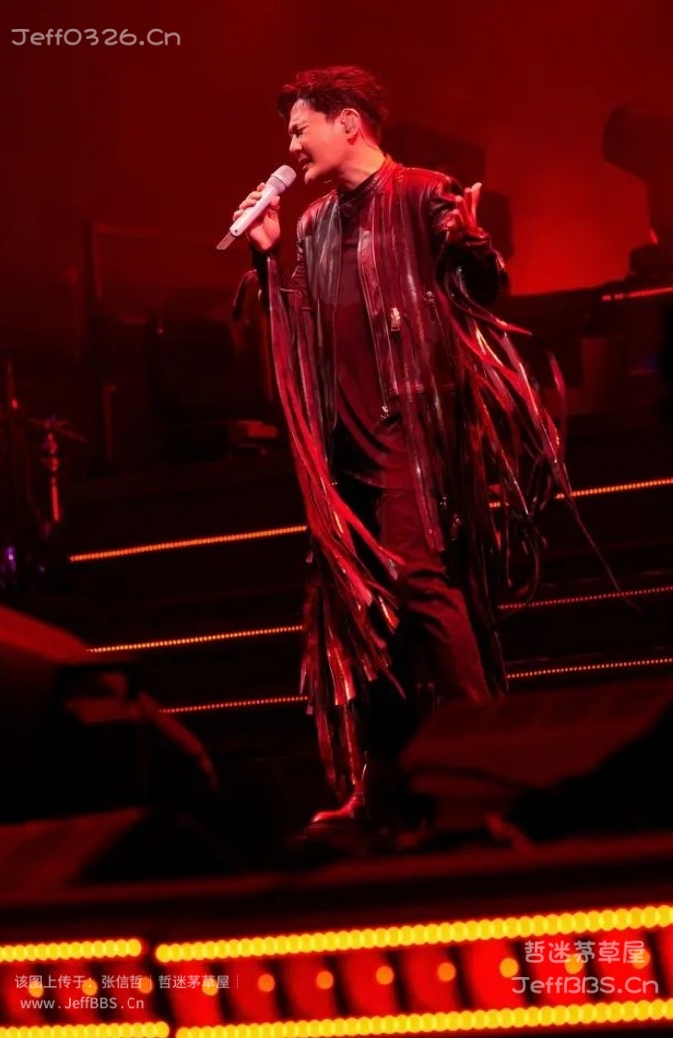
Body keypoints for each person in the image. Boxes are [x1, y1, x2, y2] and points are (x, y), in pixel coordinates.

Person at [231, 65, 570, 852]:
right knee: (367, 615)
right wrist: (268, 258)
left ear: (347, 122)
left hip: (409, 436)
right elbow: (301, 337)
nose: (291, 145)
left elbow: (485, 285)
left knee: (424, 587)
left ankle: (489, 762)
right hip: (341, 449)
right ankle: (387, 787)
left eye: (300, 128)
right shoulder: (314, 225)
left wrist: (470, 238)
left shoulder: (422, 193)